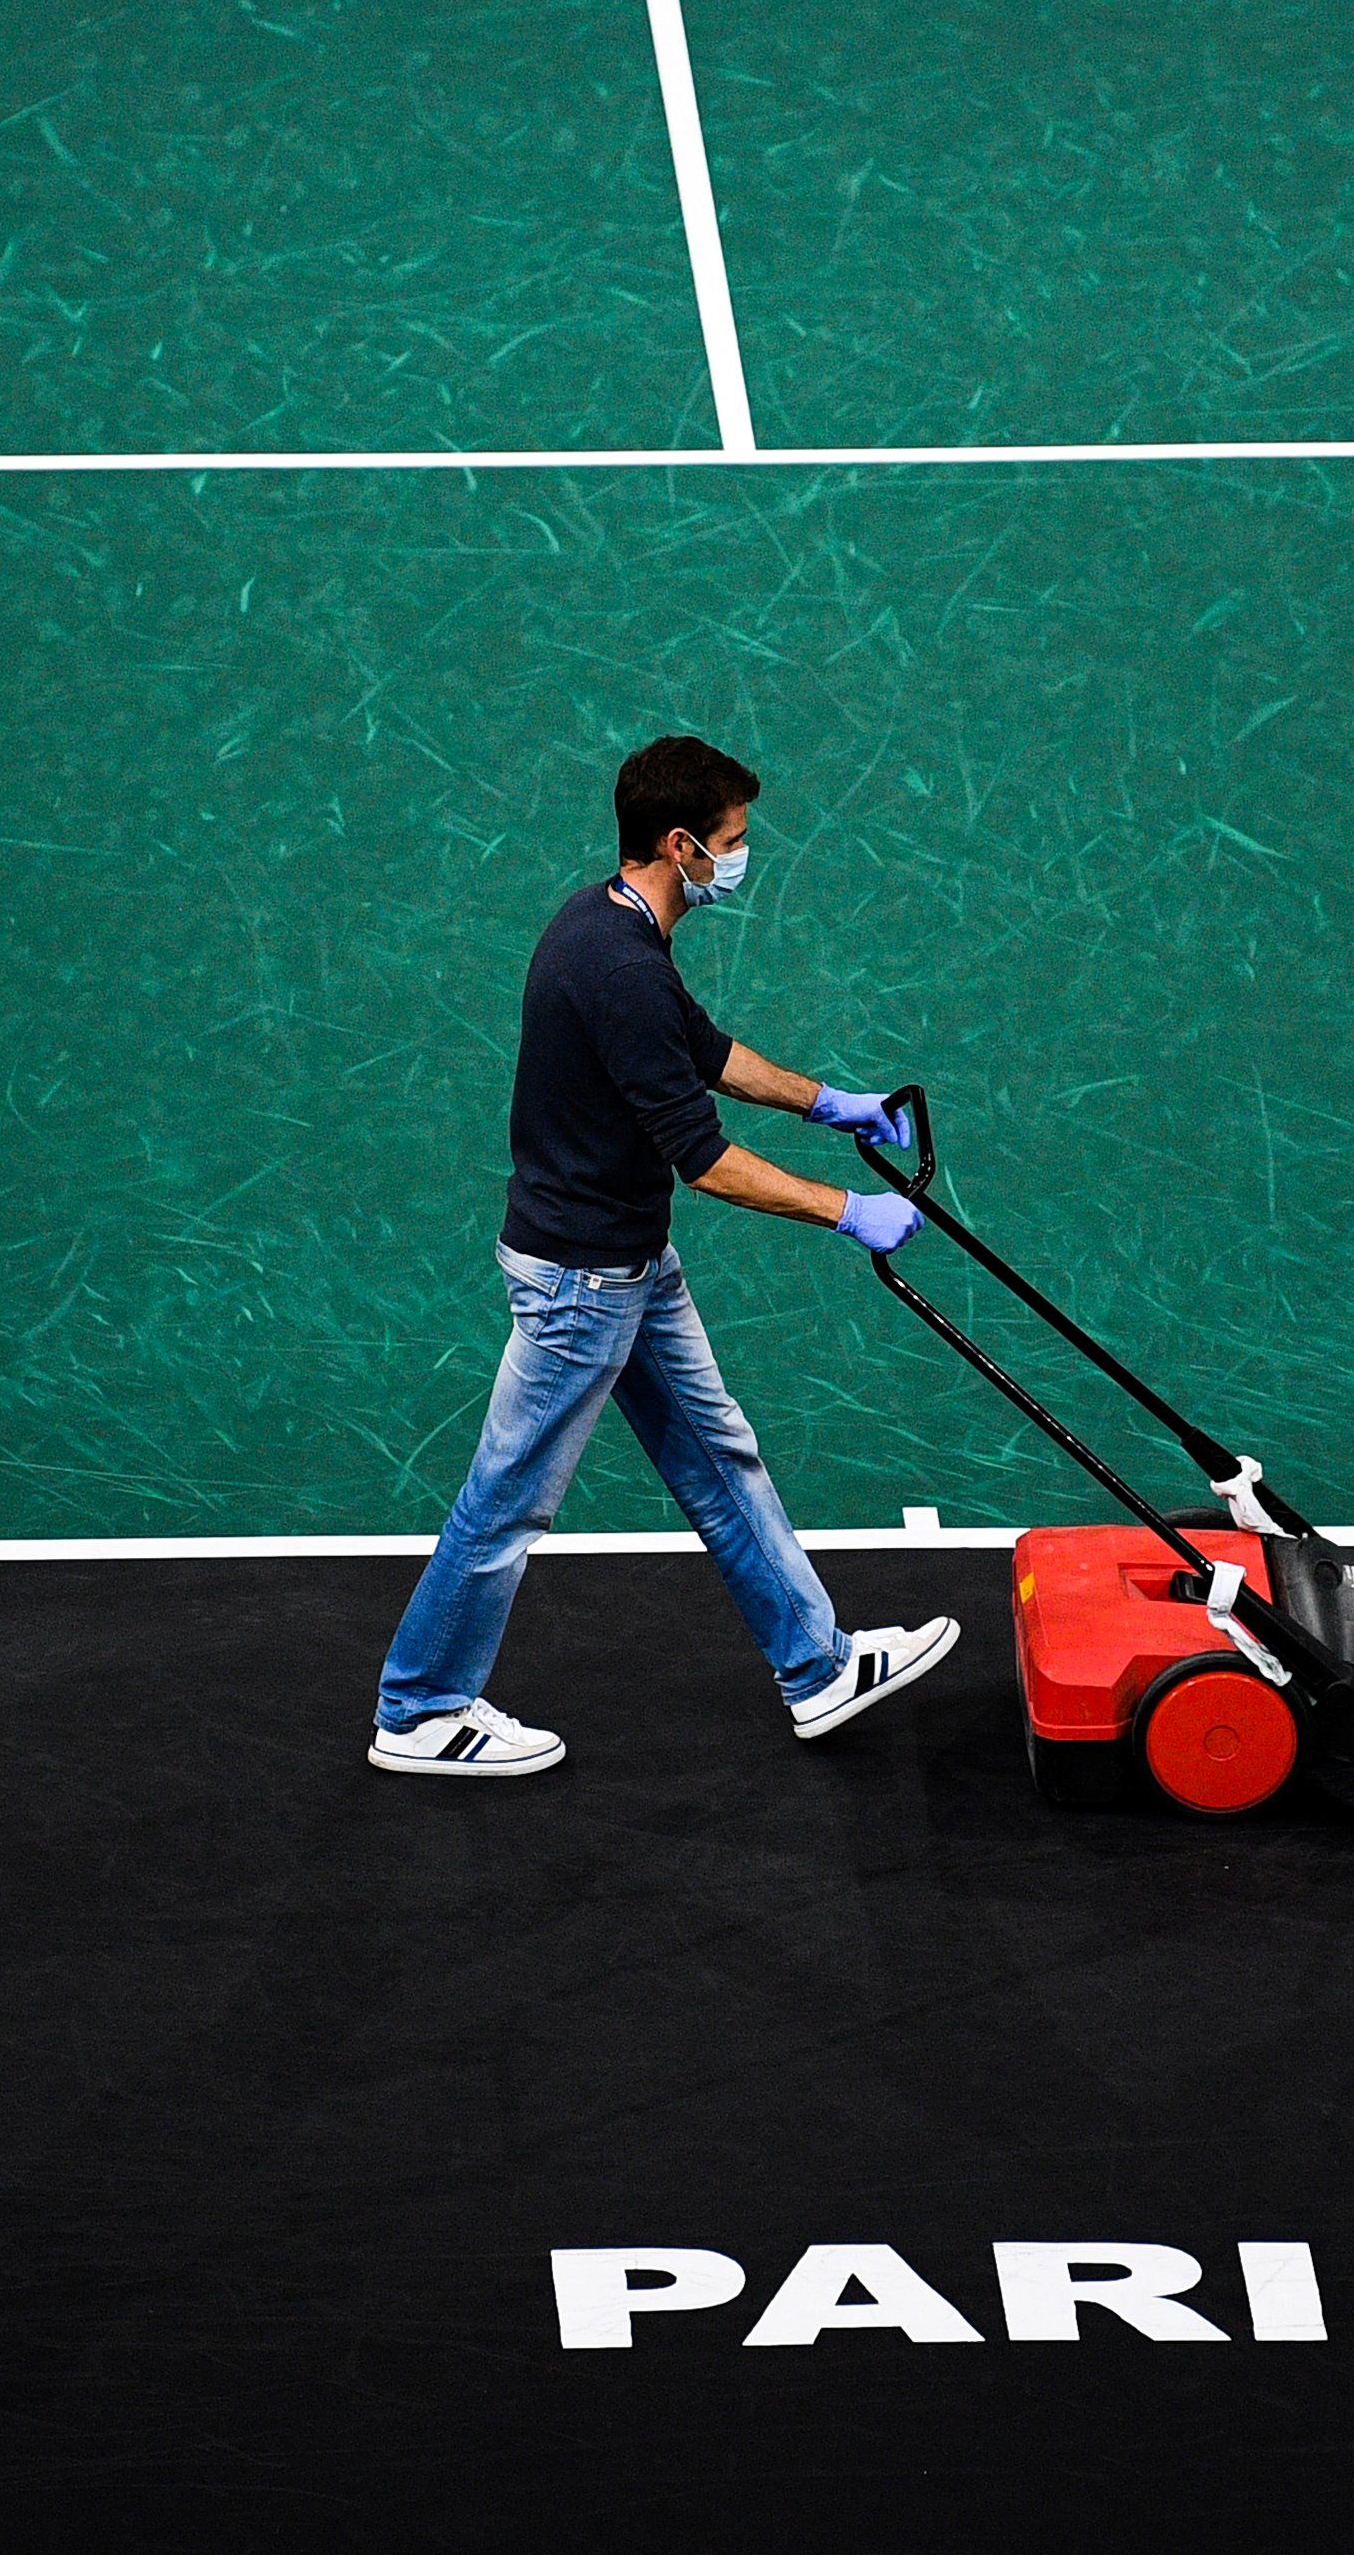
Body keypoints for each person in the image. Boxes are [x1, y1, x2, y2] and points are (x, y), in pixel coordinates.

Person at [369, 734, 962, 1780]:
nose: (741, 857)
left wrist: (834, 1105)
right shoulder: (619, 970)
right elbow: (707, 1161)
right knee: (507, 1498)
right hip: (581, 1285)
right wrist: (846, 1210)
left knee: (719, 1459)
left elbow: (709, 1054)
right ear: (681, 845)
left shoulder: (609, 924)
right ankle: (418, 1709)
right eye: (732, 840)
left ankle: (818, 1667)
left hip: (624, 1267)